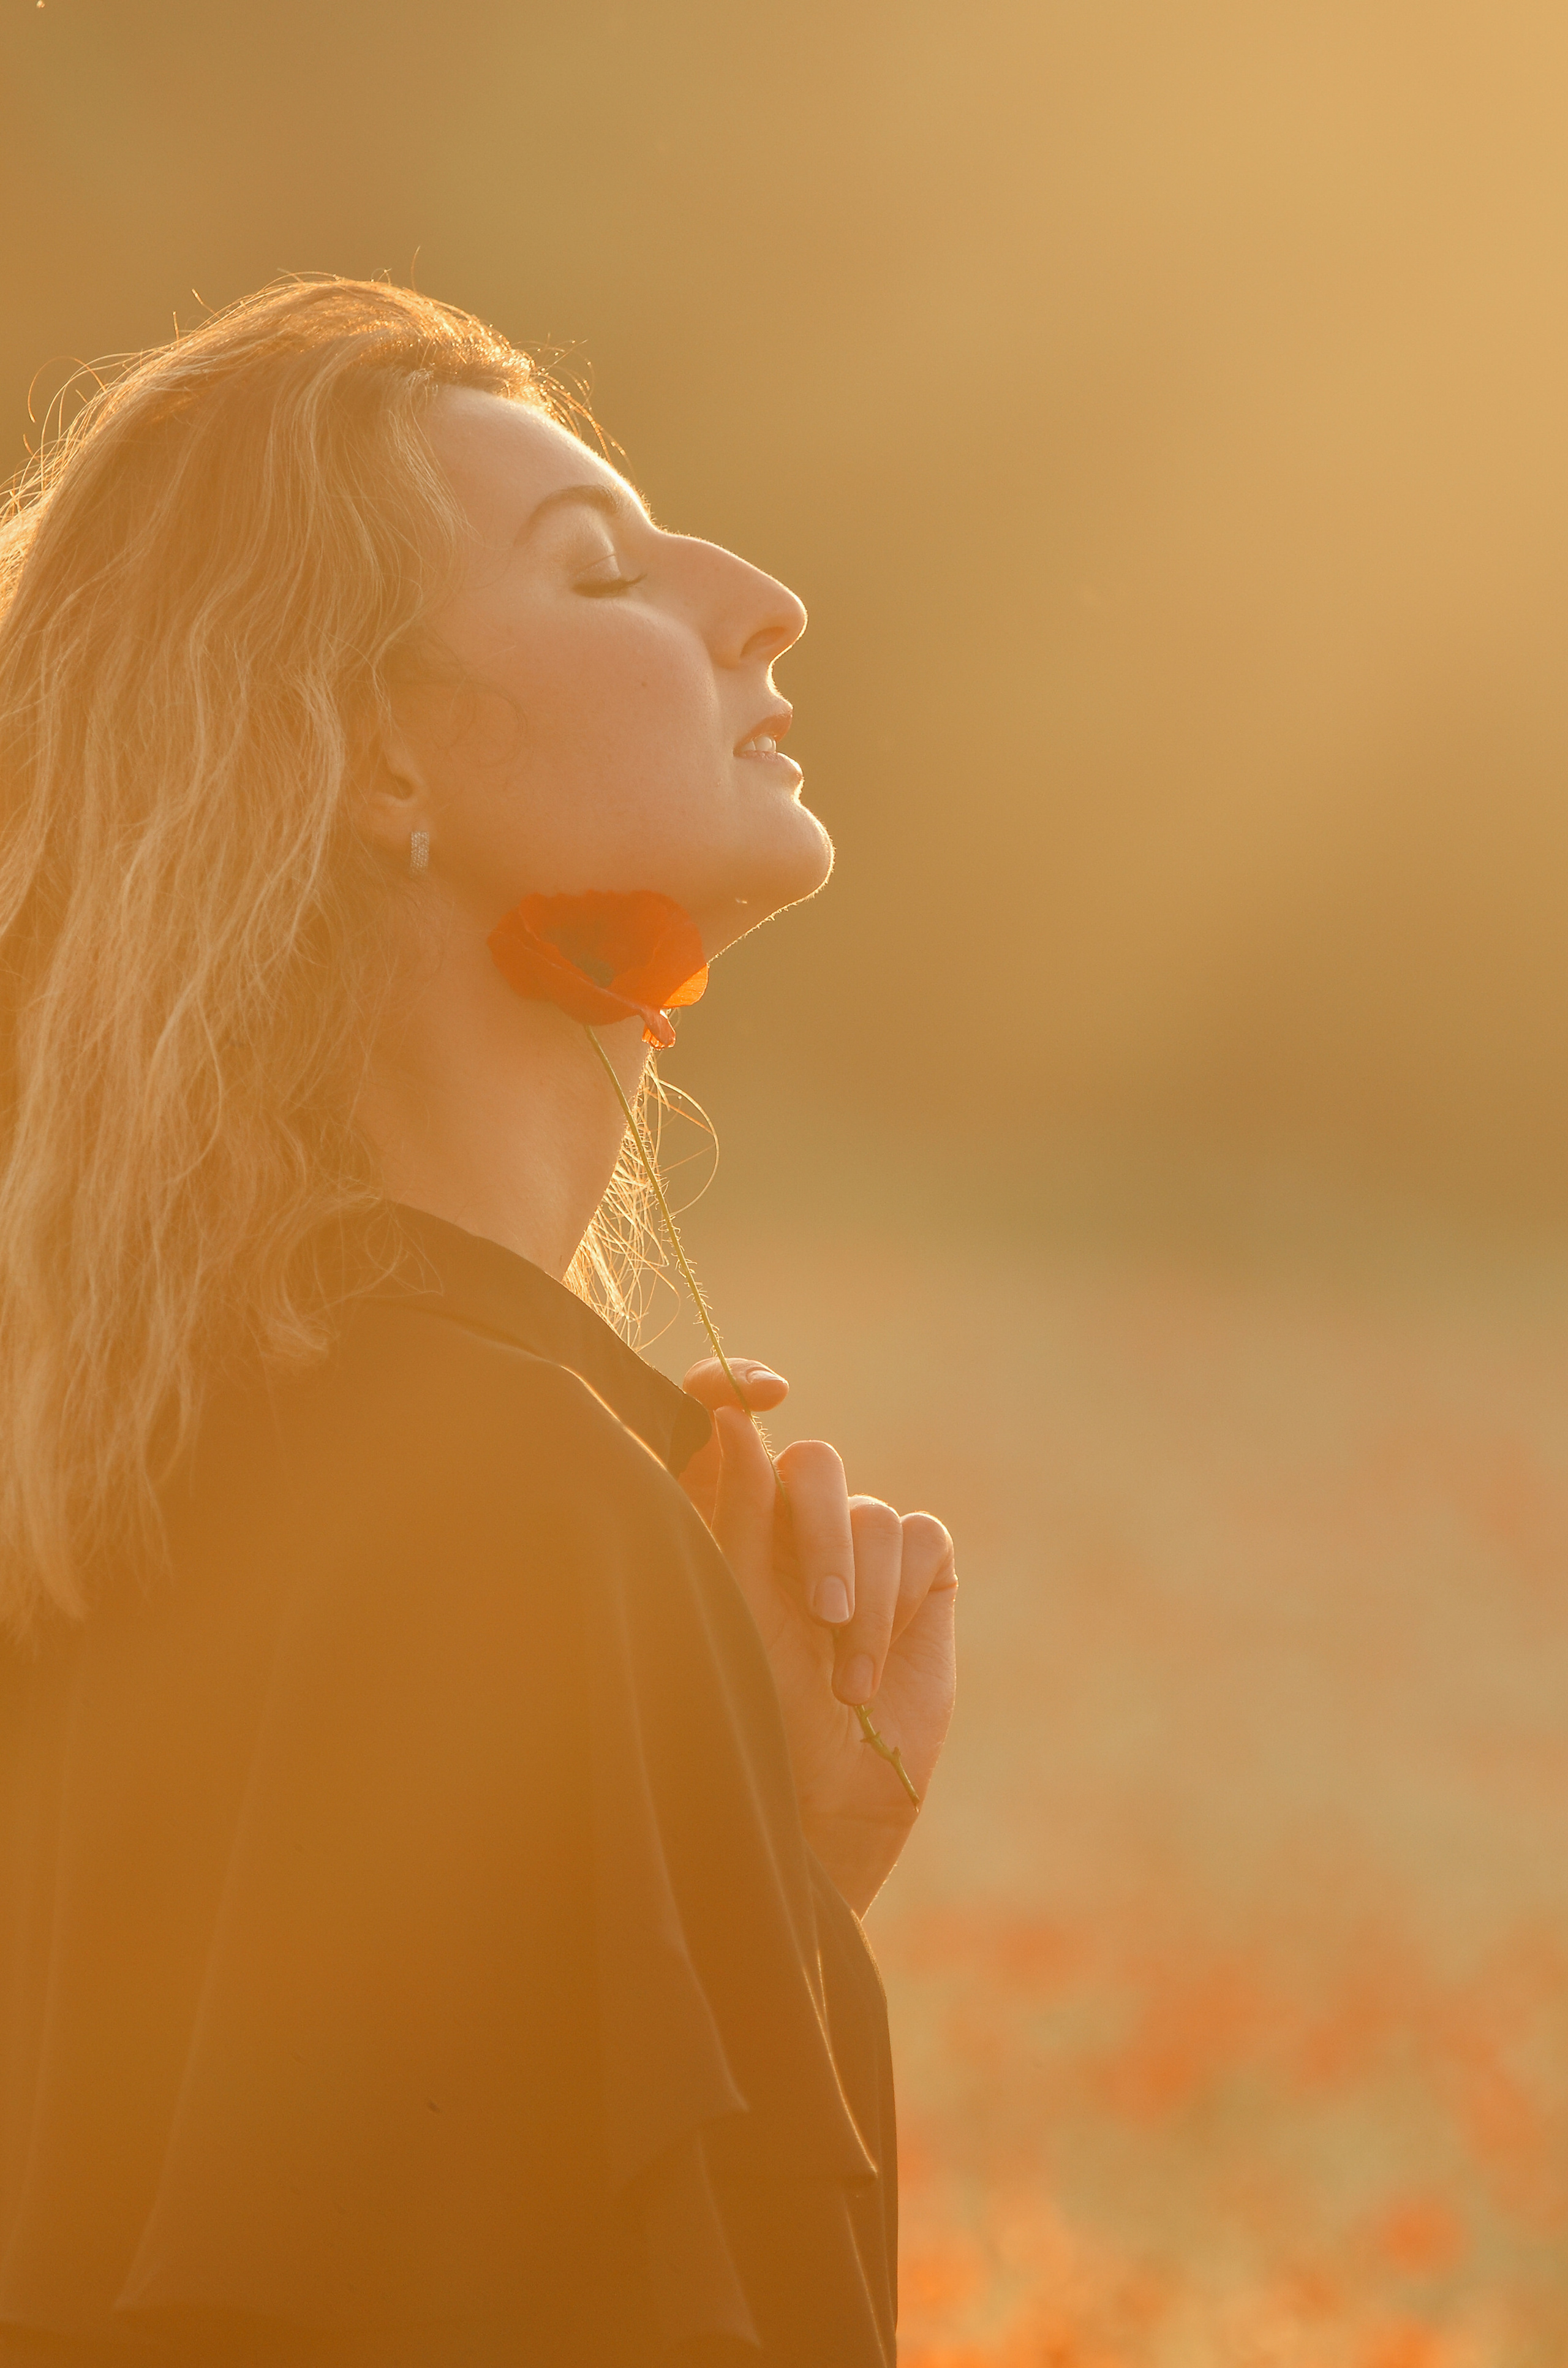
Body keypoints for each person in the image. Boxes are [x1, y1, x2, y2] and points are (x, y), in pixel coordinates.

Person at [0, 279, 957, 2366]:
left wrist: (763, 1855)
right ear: (374, 757)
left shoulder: (148, 1461)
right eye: (601, 569)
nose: (766, 602)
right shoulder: (516, 1507)